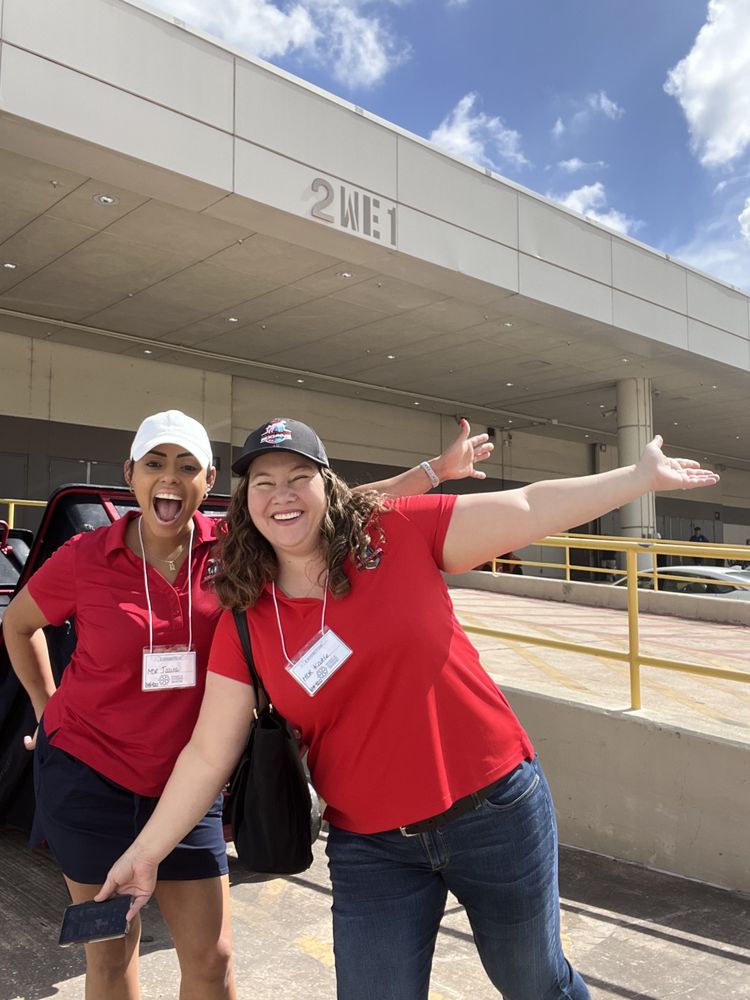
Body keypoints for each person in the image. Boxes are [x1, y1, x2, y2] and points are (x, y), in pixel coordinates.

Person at [95, 419, 718, 1000]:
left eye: (299, 477)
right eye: (264, 482)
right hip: (372, 848)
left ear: (327, 486)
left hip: (494, 811)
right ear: (246, 502)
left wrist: (639, 478)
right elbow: (208, 754)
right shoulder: (246, 619)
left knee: (534, 982)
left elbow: (530, 507)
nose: (282, 495)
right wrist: (144, 855)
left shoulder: (395, 533)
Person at [3, 410, 493, 1000]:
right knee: (109, 956)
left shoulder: (234, 549)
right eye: (155, 463)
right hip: (89, 780)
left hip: (188, 787)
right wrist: (47, 707)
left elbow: (334, 504)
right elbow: (19, 624)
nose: (170, 477)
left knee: (213, 960)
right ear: (129, 473)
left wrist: (432, 472)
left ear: (208, 480)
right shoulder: (87, 556)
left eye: (187, 466)